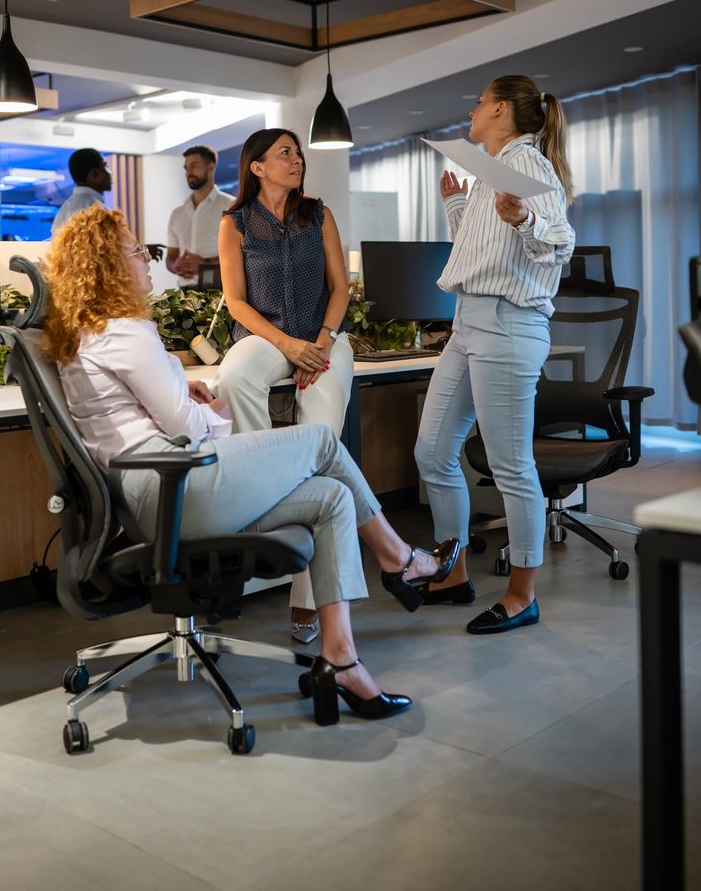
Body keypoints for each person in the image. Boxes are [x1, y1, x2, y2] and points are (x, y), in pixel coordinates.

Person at [43, 204, 460, 726]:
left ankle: (341, 660)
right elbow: (189, 428)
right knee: (320, 443)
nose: (147, 259)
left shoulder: (91, 331)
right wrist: (212, 409)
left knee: (331, 499)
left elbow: (135, 411)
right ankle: (400, 558)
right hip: (172, 486)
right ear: (108, 265)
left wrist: (183, 392)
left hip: (150, 493)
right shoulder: (126, 329)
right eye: (135, 251)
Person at [415, 75, 576, 635]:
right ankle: (452, 572)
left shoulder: (526, 164)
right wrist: (458, 205)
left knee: (511, 467)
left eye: (479, 102)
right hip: (469, 323)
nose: (473, 110)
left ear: (501, 109)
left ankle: (521, 595)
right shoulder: (493, 171)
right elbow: (483, 252)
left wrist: (528, 219)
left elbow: (560, 241)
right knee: (433, 451)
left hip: (507, 324)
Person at [216, 128, 354, 646]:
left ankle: (306, 597)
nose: (298, 160)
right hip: (267, 337)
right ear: (257, 167)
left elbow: (340, 287)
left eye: (297, 152)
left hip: (325, 336)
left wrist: (319, 343)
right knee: (233, 376)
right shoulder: (234, 223)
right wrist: (288, 346)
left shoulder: (318, 214)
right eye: (285, 153)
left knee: (321, 440)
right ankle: (261, 487)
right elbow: (236, 302)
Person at [166, 145, 234, 286]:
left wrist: (205, 264)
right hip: (183, 293)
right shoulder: (177, 214)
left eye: (194, 166)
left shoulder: (232, 206)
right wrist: (176, 265)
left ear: (211, 168)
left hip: (219, 291)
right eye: (186, 168)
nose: (188, 172)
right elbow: (170, 258)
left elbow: (244, 254)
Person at [52, 148, 112, 234]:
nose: (110, 172)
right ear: (93, 174)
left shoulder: (64, 210)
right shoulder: (96, 210)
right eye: (105, 166)